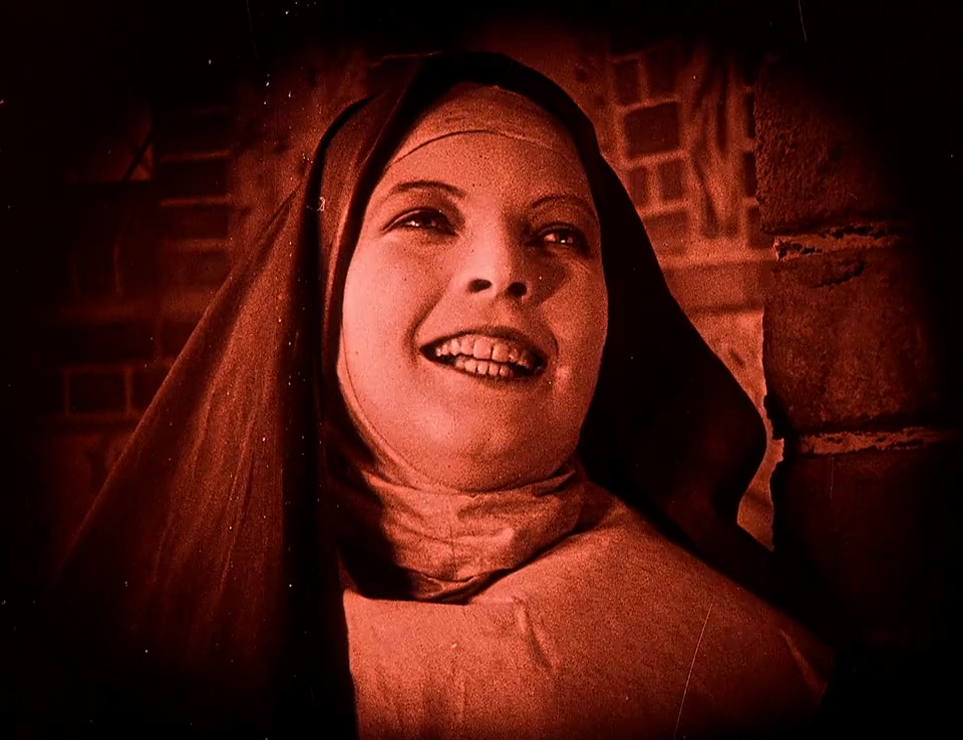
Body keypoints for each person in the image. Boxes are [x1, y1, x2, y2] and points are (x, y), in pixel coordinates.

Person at [43, 51, 832, 739]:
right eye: (425, 218)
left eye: (561, 234)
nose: (503, 271)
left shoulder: (748, 677)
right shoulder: (133, 650)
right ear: (321, 287)